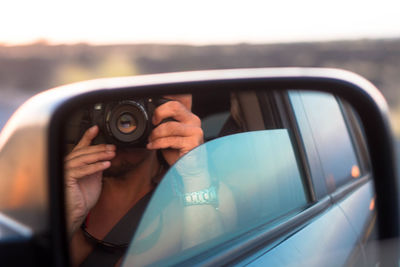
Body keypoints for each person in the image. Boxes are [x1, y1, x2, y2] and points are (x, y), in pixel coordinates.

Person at [65, 95, 205, 266]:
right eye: (108, 109)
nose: (121, 126)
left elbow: (211, 257)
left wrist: (195, 176)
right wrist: (69, 212)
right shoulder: (63, 189)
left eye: (133, 115)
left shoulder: (198, 192)